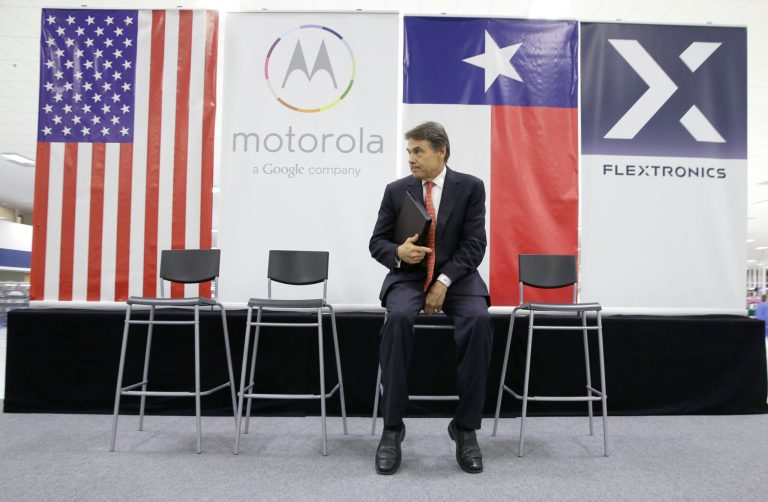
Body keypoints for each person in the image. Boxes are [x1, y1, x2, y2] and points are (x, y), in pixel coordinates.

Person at [369, 121, 493, 475]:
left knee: (479, 320)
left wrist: (442, 281)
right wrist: (398, 252)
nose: (411, 159)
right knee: (398, 319)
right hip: (407, 280)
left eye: (418, 151)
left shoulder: (470, 187)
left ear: (442, 152)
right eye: (409, 151)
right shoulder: (396, 191)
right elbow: (376, 242)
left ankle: (465, 427)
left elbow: (474, 245)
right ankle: (392, 428)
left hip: (458, 279)